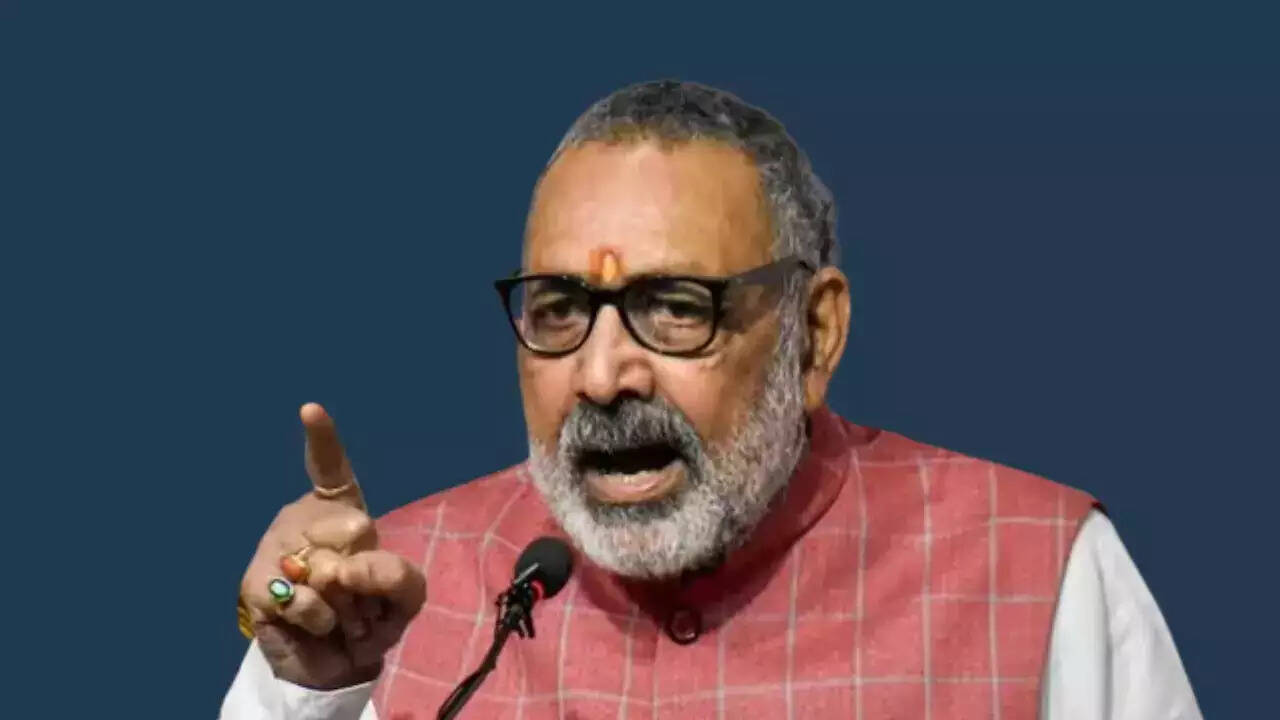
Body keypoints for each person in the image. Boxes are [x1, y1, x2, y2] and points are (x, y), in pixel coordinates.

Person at [220, 80, 1201, 719]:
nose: (603, 376)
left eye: (675, 307)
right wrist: (313, 686)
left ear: (814, 333)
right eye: (560, 309)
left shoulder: (1034, 569)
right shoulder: (387, 598)